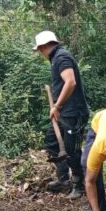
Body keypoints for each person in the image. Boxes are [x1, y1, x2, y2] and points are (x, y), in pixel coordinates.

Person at [34, 31, 90, 200]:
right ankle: (63, 179)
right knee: (52, 142)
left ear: (44, 46)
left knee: (72, 149)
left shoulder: (61, 57)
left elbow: (70, 82)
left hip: (74, 112)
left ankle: (80, 185)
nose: (40, 53)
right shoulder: (57, 58)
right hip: (63, 112)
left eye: (40, 50)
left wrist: (57, 105)